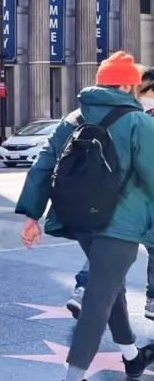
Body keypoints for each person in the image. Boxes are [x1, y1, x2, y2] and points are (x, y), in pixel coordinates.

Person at [17, 51, 154, 381]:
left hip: (80, 220)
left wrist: (32, 216)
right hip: (120, 226)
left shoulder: (72, 118)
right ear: (127, 84)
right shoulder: (139, 122)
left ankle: (131, 355)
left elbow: (44, 166)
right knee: (99, 296)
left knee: (110, 287)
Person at [66, 66, 154, 321]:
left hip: (116, 196)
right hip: (132, 197)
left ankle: (83, 290)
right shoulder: (130, 116)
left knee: (110, 245)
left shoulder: (119, 115)